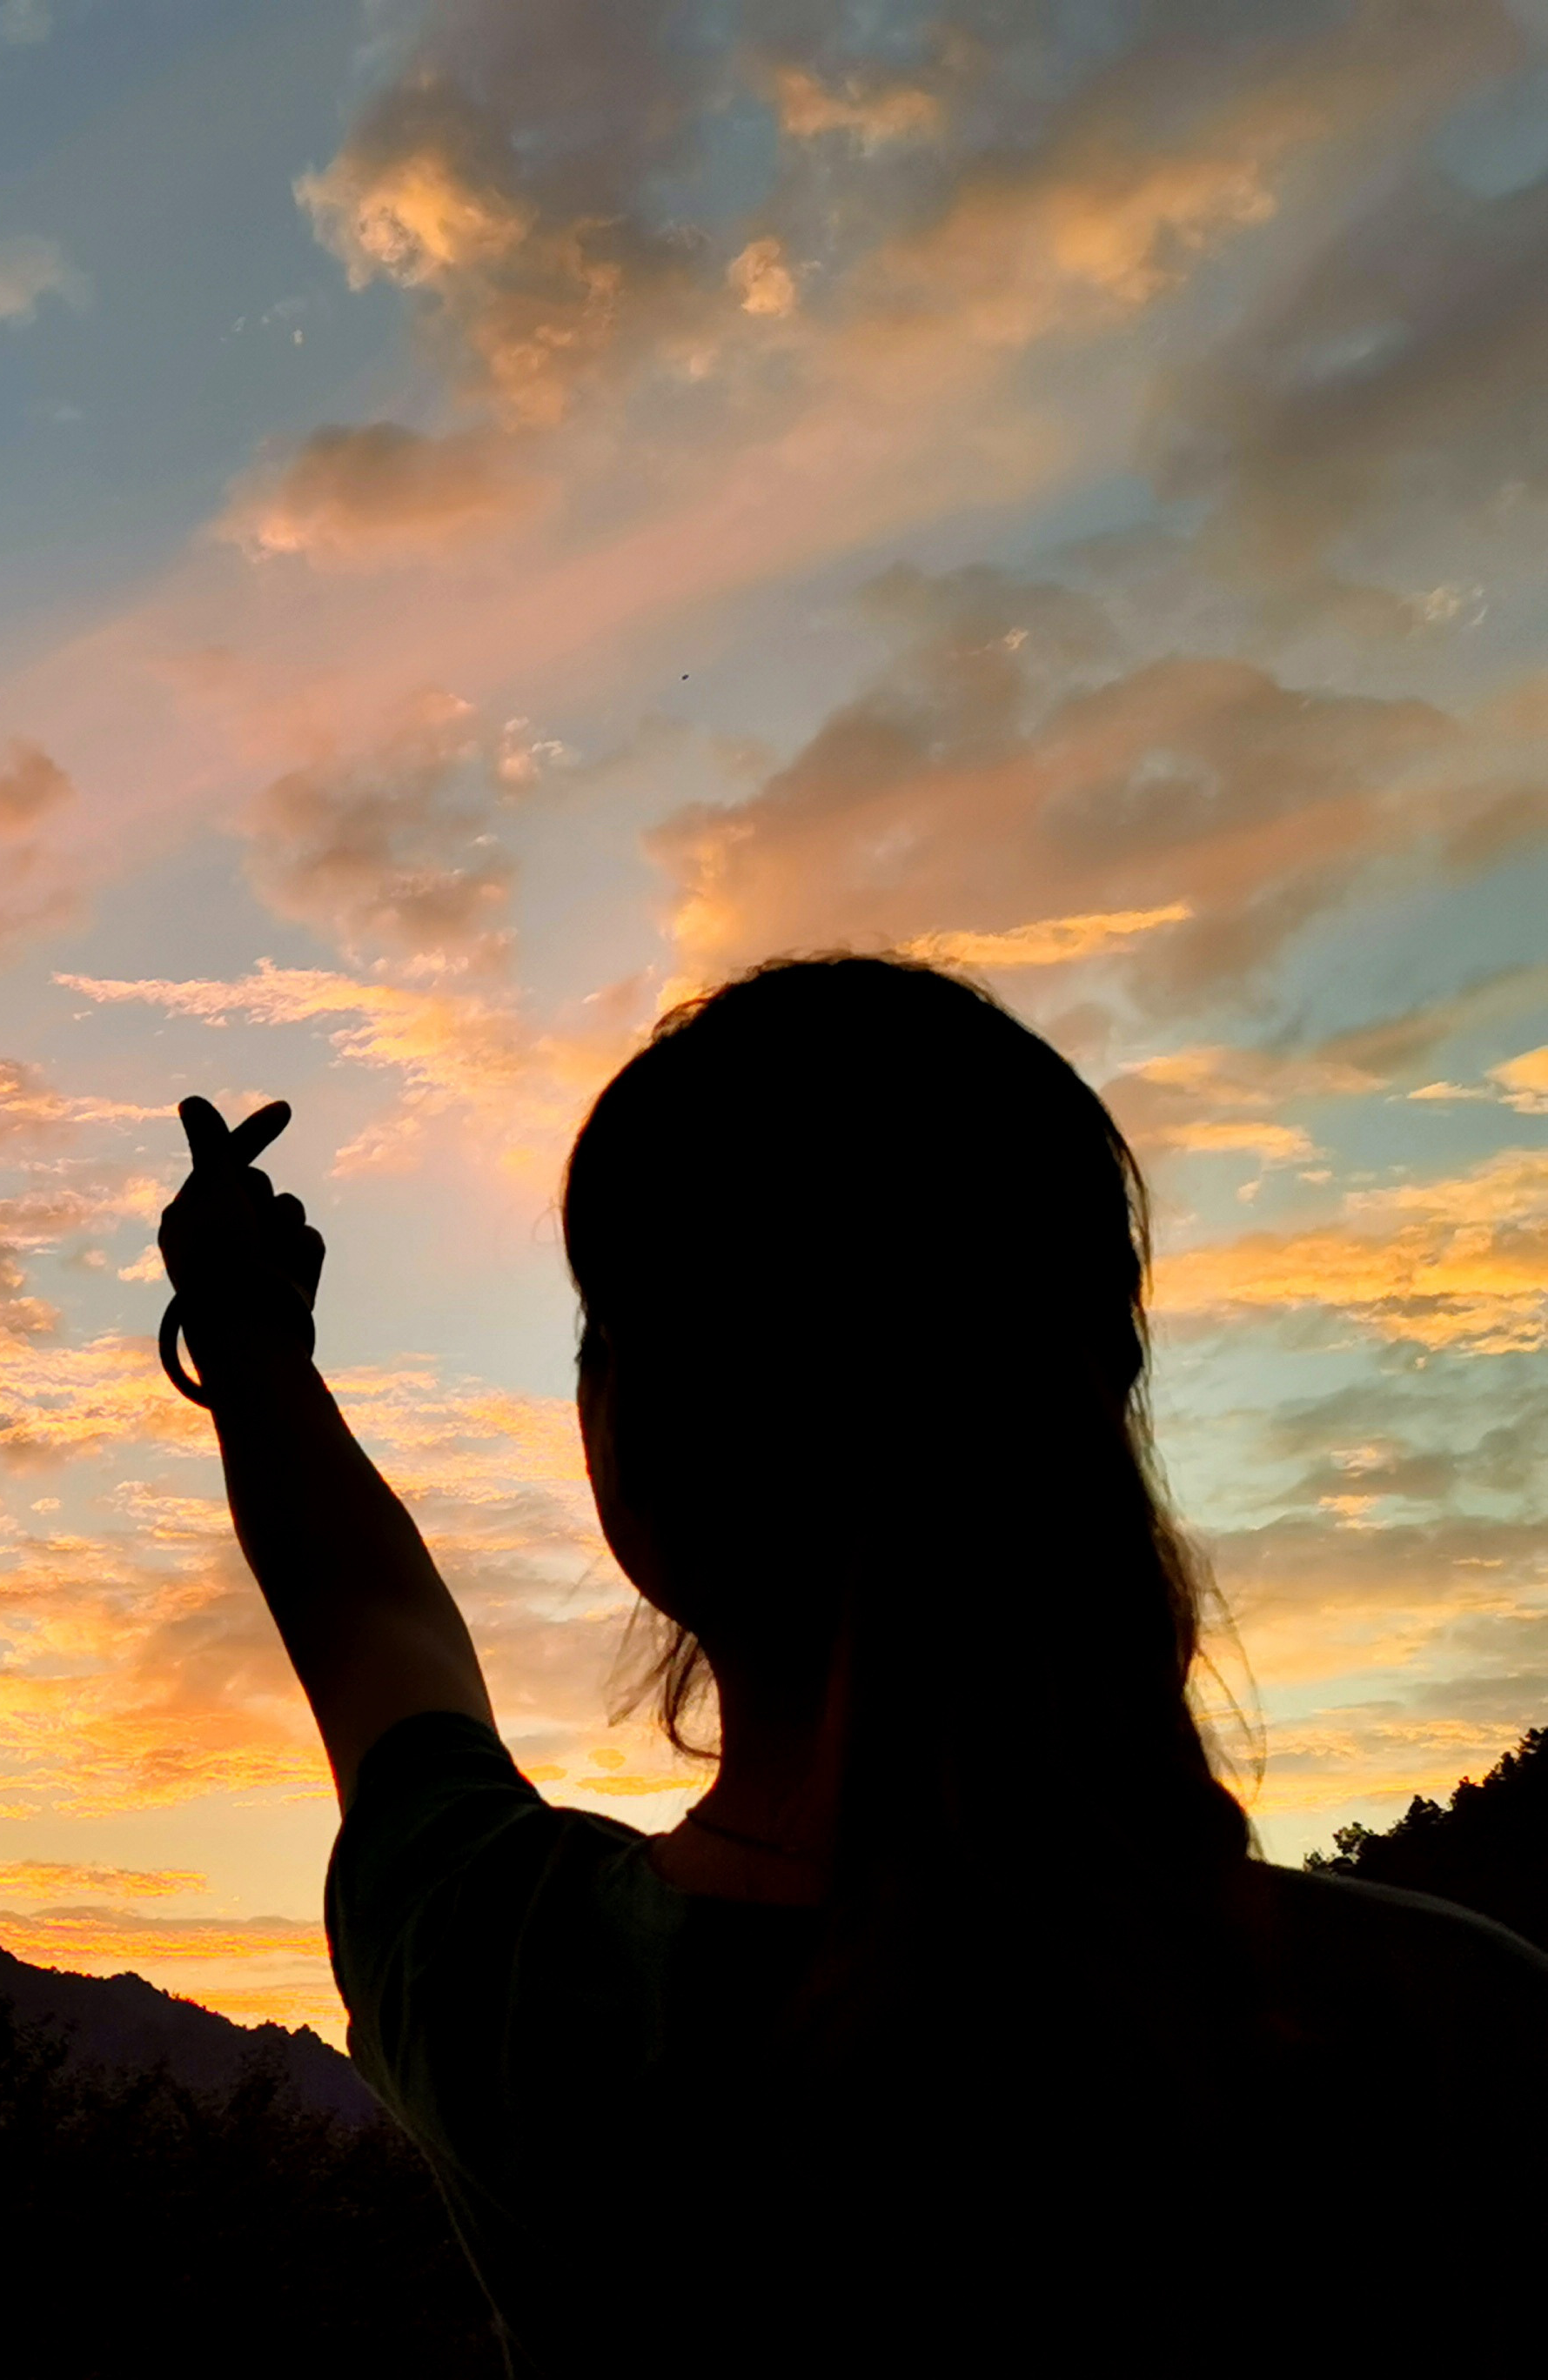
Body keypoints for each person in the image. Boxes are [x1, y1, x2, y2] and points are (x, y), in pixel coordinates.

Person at [158, 954, 1547, 2377]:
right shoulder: (1467, 2034)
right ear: (1097, 1400)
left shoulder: (521, 1992)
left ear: (631, 1445)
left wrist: (247, 1330)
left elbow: (366, 1619)